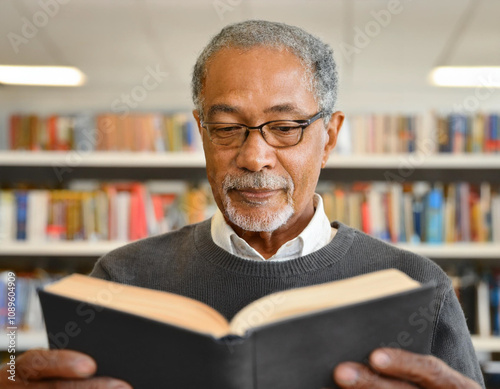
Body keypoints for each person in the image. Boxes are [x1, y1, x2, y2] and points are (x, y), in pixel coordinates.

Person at [2, 20, 485, 389]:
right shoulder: (122, 278)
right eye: (228, 127)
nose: (254, 157)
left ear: (330, 135)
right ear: (201, 131)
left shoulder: (418, 286)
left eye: (285, 126)